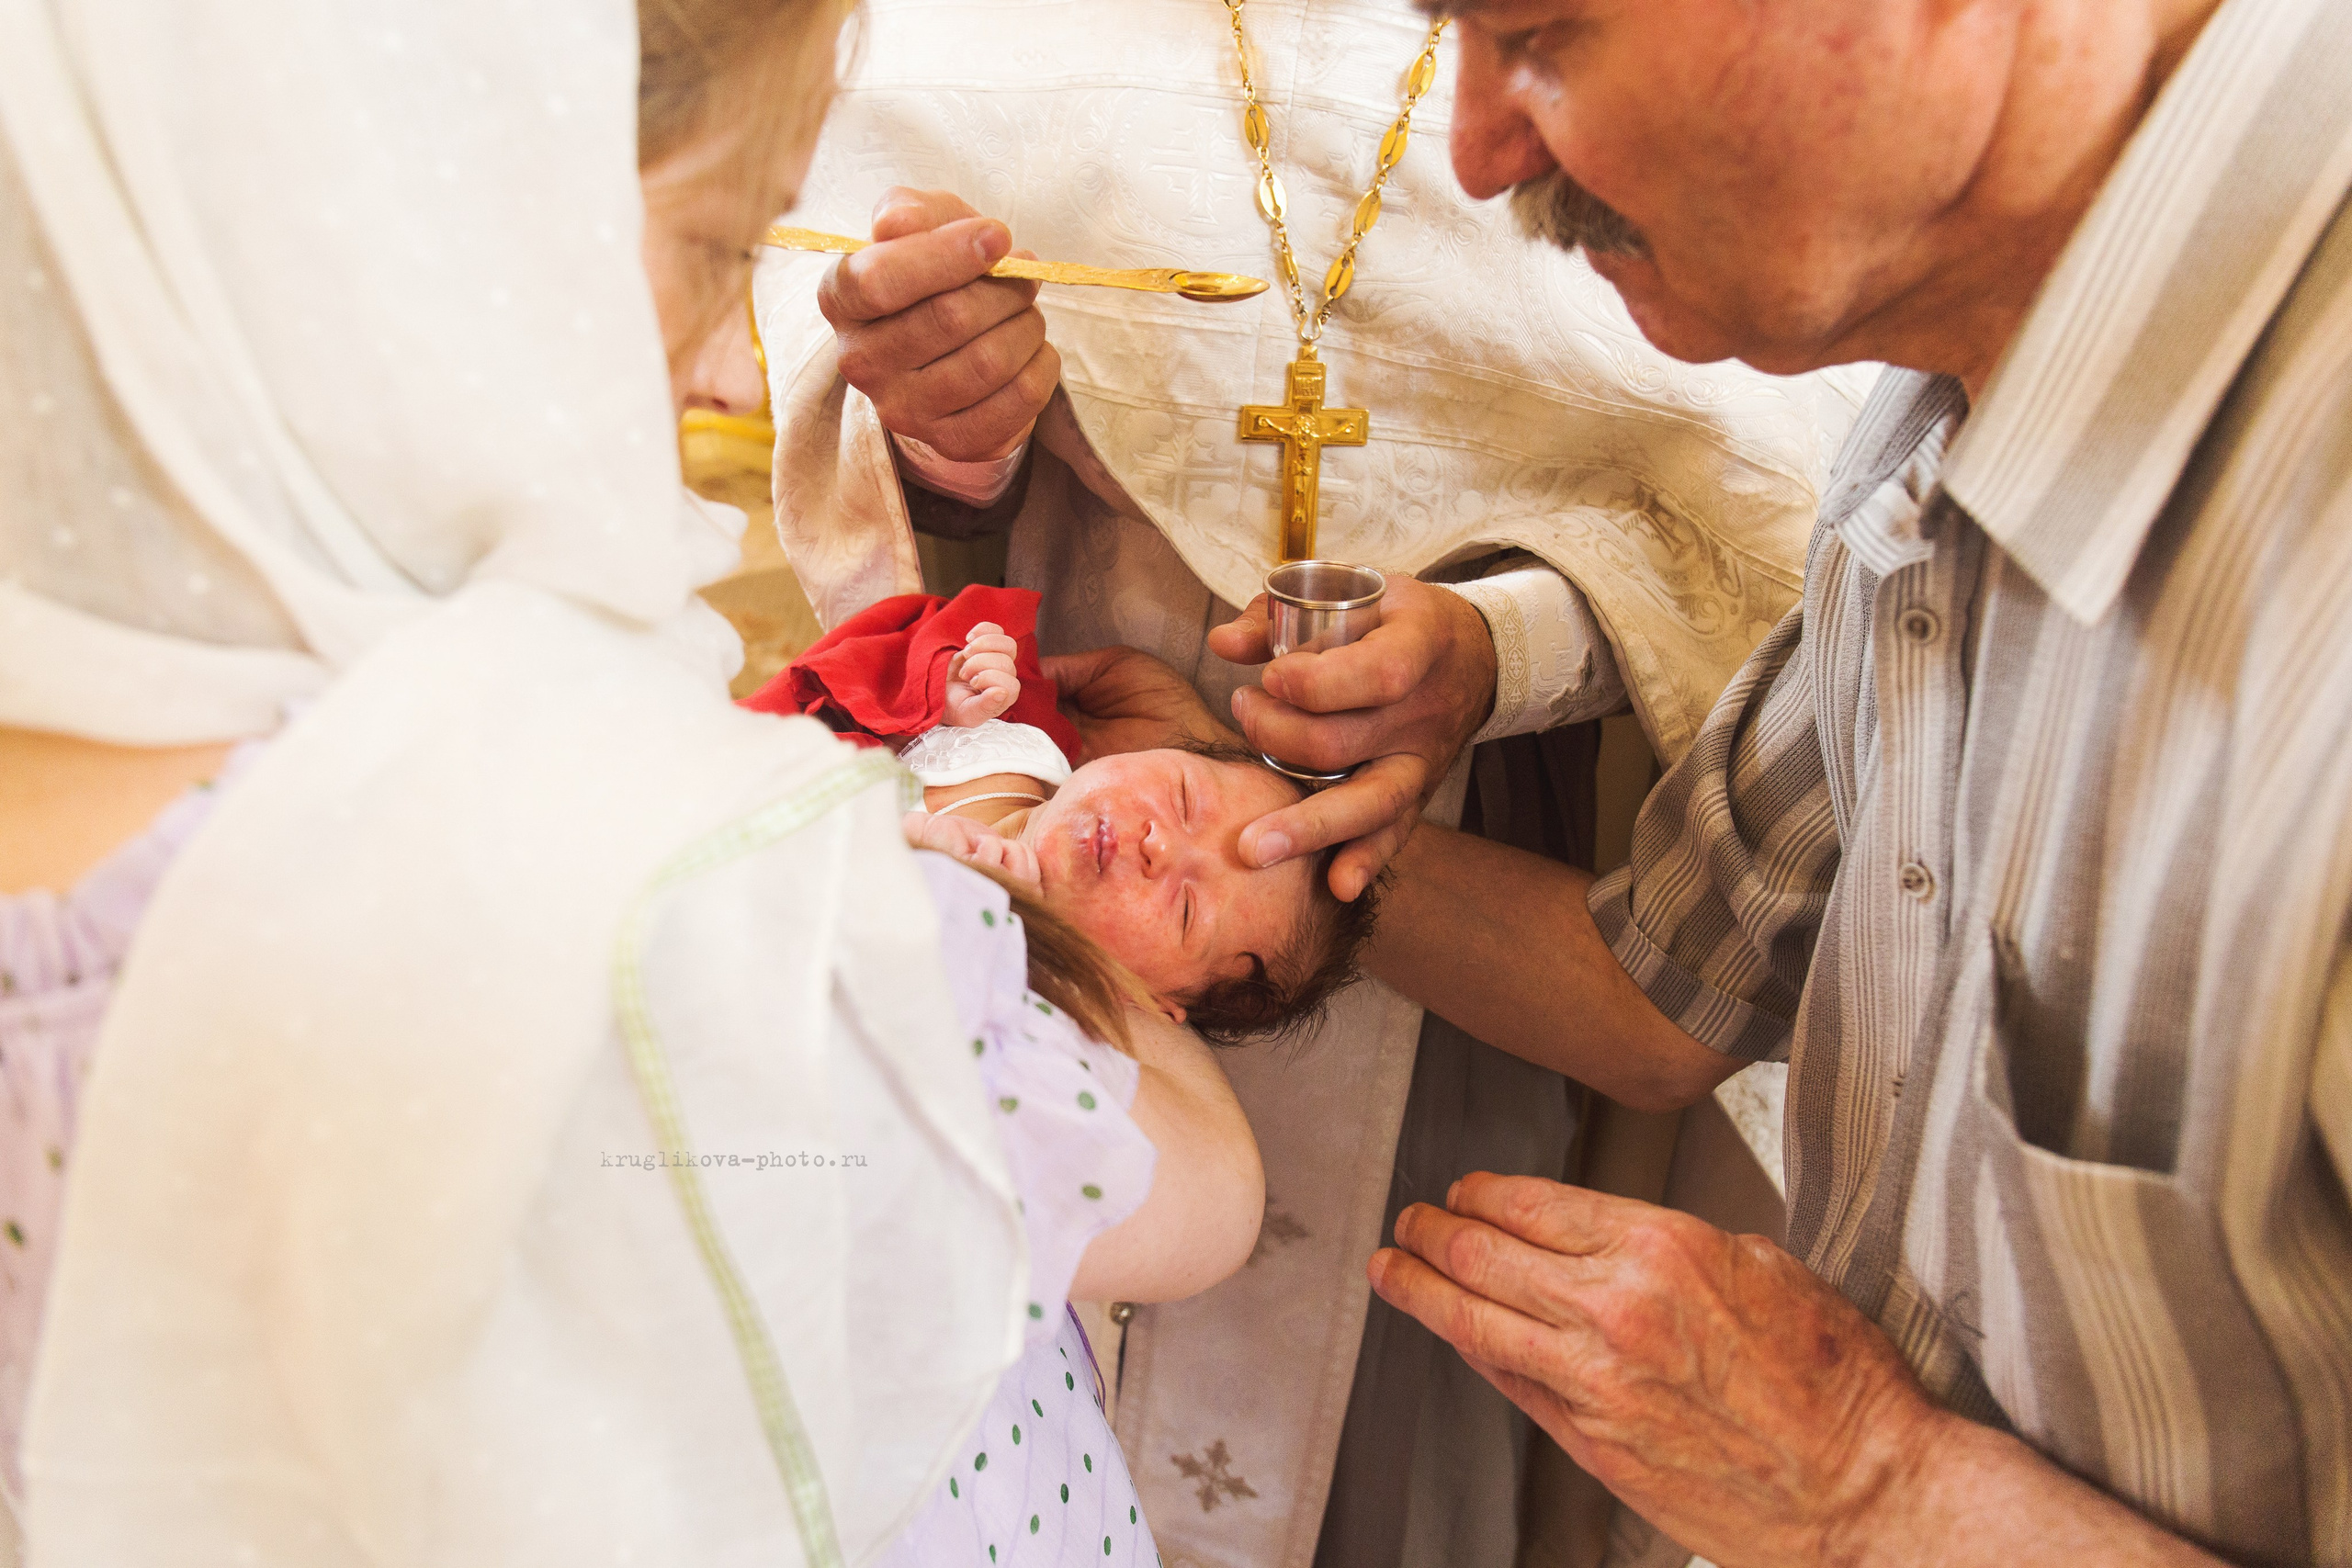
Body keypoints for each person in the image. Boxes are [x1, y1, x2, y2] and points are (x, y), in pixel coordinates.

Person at [0, 0, 1261, 1562]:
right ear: (426, 233)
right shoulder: (711, 901)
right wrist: (1021, 833)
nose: (734, 366)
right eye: (723, 251)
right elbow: (1202, 1192)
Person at [752, 3, 1867, 1558]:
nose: (1493, 125)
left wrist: (1509, 644)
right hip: (1077, 675)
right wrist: (948, 427)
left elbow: (1744, 482)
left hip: (1500, 844)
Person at [1332, 0, 2352, 1564]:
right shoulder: (1951, 364)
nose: (1477, 151)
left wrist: (1873, 1489)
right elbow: (1660, 986)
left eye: (1543, 34)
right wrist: (1233, 826)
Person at [747, 586, 1379, 1039]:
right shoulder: (1011, 717)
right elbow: (813, 690)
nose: (1159, 845)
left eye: (1187, 909)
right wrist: (927, 692)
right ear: (1164, 748)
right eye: (1184, 797)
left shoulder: (1010, 994)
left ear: (1147, 1001)